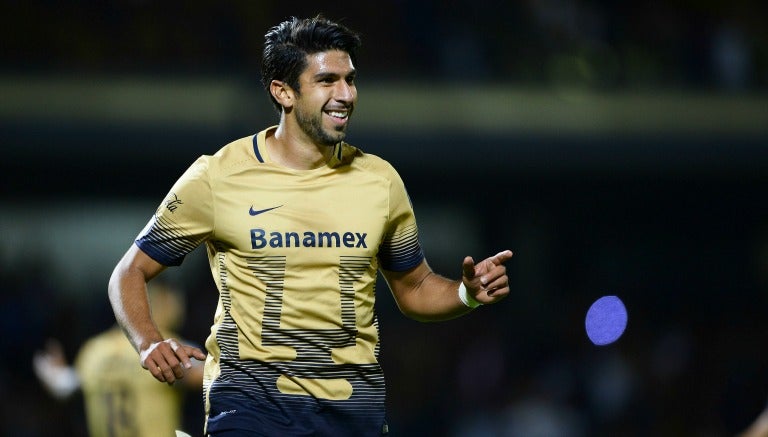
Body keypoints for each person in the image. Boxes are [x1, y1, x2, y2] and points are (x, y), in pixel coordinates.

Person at [107, 15, 514, 437]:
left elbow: (413, 288)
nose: (346, 95)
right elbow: (129, 272)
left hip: (353, 412)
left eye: (350, 80)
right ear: (283, 92)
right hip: (250, 409)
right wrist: (149, 340)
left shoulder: (379, 180)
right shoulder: (217, 176)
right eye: (327, 81)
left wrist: (467, 293)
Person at [34, 282, 204, 437]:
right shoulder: (165, 348)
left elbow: (63, 385)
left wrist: (51, 371)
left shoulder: (94, 351)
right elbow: (210, 377)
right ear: (162, 301)